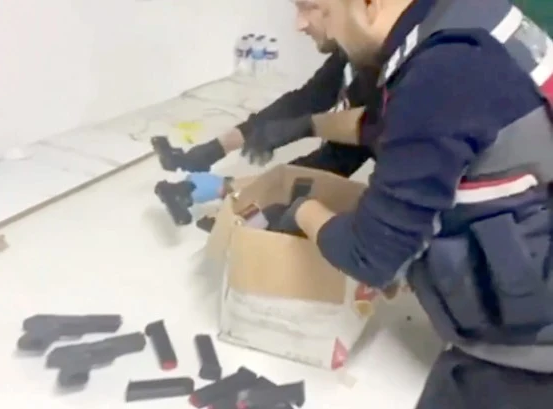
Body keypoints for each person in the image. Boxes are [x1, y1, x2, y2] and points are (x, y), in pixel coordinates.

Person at [281, 0, 553, 407]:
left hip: (525, 359)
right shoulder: (465, 19)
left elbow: (371, 255)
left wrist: (300, 209)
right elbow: (400, 129)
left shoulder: (444, 70)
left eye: (314, 7)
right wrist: (309, 127)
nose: (301, 24)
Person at [174, 0, 379, 206]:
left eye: (309, 6)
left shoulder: (383, 79)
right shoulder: (351, 55)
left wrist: (228, 187)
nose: (299, 25)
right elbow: (306, 100)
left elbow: (336, 161)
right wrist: (218, 147)